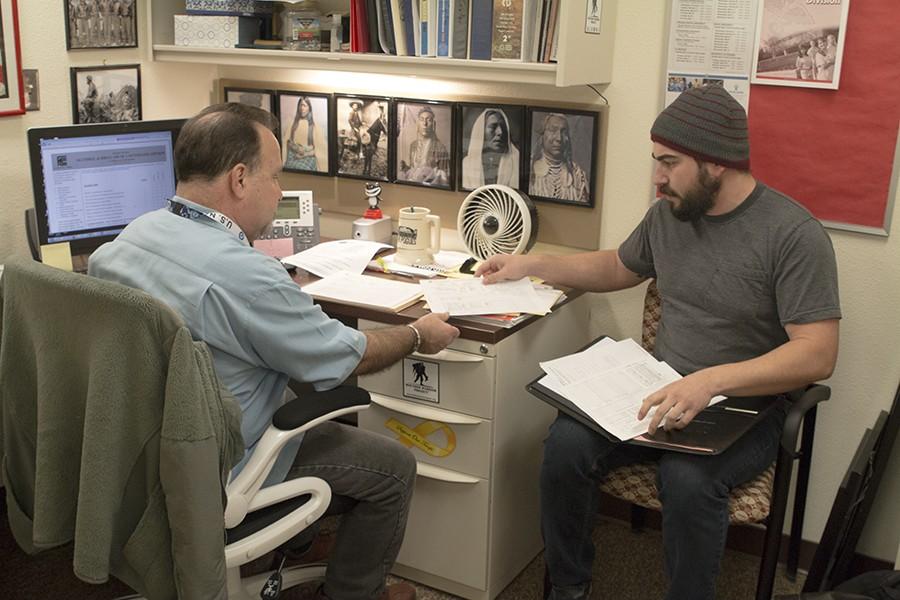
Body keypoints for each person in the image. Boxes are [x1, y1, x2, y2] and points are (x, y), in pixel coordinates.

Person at [476, 85, 840, 600]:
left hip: (746, 407)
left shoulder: (793, 235)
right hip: (659, 388)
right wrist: (531, 263)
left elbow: (817, 353)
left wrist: (710, 381)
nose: (658, 178)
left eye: (669, 163)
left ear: (716, 164)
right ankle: (569, 588)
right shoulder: (669, 216)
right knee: (564, 448)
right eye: (656, 161)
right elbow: (617, 266)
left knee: (688, 480)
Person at [89, 103, 460, 600]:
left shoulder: (129, 239)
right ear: (240, 180)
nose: (280, 192)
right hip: (219, 465)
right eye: (277, 177)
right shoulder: (250, 276)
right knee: (392, 467)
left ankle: (293, 541)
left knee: (291, 382)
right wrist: (417, 334)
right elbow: (345, 358)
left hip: (141, 455)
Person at [529, 113, 589, 203]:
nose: (559, 138)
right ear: (542, 135)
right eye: (553, 130)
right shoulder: (529, 169)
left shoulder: (577, 175)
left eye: (564, 132)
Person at [461, 108, 520, 189]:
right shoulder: (467, 164)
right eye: (493, 127)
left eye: (503, 127)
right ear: (482, 131)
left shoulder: (515, 161)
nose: (500, 132)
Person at [400, 106, 450, 186]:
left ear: (433, 124)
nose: (425, 124)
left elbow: (445, 178)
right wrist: (405, 167)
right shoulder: (413, 145)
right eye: (422, 120)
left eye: (428, 120)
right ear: (418, 124)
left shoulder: (440, 148)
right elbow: (414, 170)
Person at [285, 96, 326, 171]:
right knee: (290, 167)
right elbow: (287, 142)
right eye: (301, 105)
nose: (302, 109)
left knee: (303, 168)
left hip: (308, 156)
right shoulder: (293, 124)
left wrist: (304, 154)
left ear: (309, 108)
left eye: (305, 106)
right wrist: (296, 148)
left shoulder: (314, 126)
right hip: (294, 155)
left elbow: (319, 149)